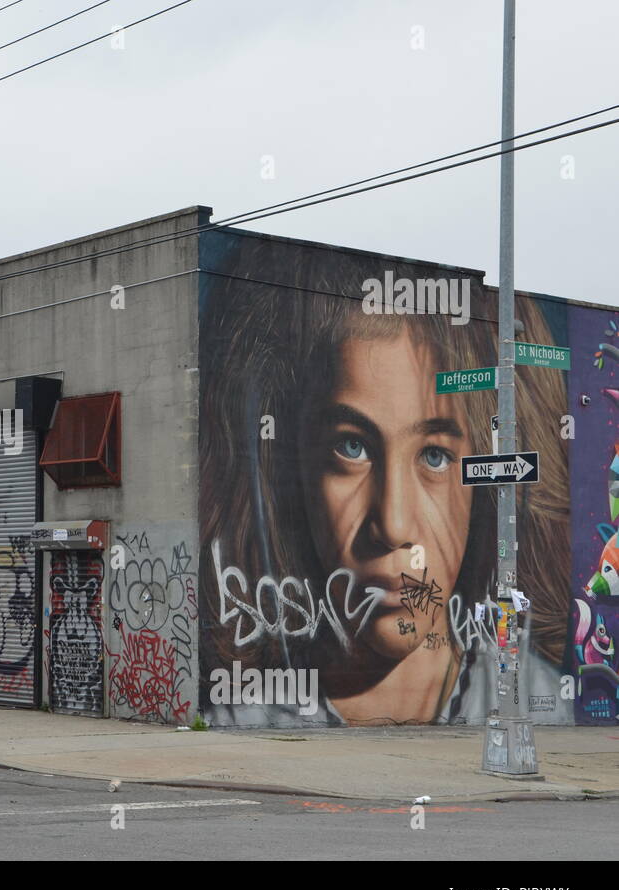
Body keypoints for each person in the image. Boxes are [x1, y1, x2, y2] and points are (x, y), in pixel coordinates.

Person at [199, 235, 568, 726]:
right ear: (286, 466)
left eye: (435, 456)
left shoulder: (543, 707)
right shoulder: (234, 716)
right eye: (350, 448)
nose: (393, 525)